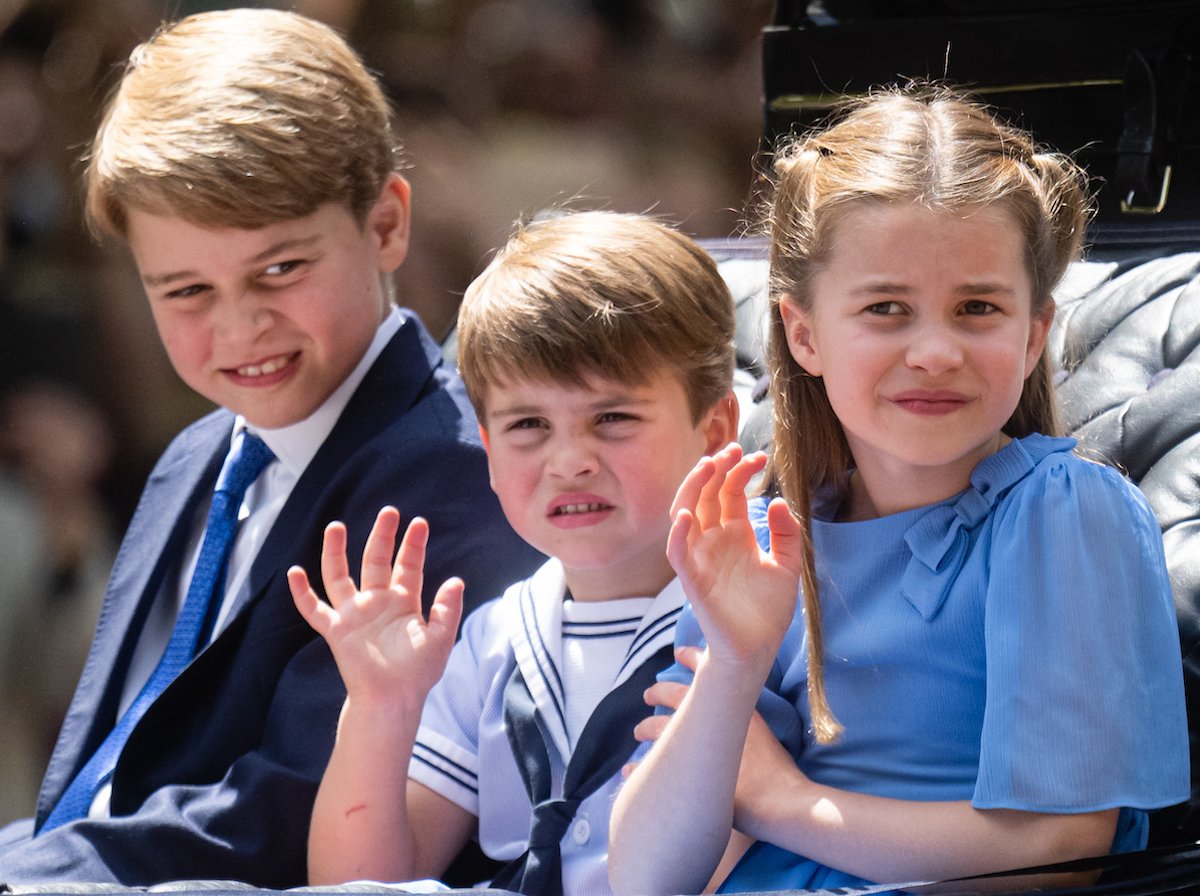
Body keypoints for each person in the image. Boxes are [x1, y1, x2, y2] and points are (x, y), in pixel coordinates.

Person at [0, 8, 542, 886]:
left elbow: (285, 810)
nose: (239, 327)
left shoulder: (452, 476)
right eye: (184, 290)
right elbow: (112, 774)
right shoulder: (197, 458)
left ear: (386, 227)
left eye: (280, 270)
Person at [608, 85, 1191, 896]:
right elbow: (642, 878)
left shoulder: (1061, 514)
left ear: (1032, 336)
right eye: (887, 308)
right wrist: (734, 665)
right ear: (804, 334)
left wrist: (786, 801)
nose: (934, 351)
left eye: (976, 308)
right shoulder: (765, 539)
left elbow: (1060, 847)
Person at [287, 210, 741, 896]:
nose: (569, 461)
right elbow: (359, 882)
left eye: (613, 418)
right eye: (529, 426)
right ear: (489, 453)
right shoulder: (489, 641)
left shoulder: (759, 616)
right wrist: (380, 706)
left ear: (716, 431)